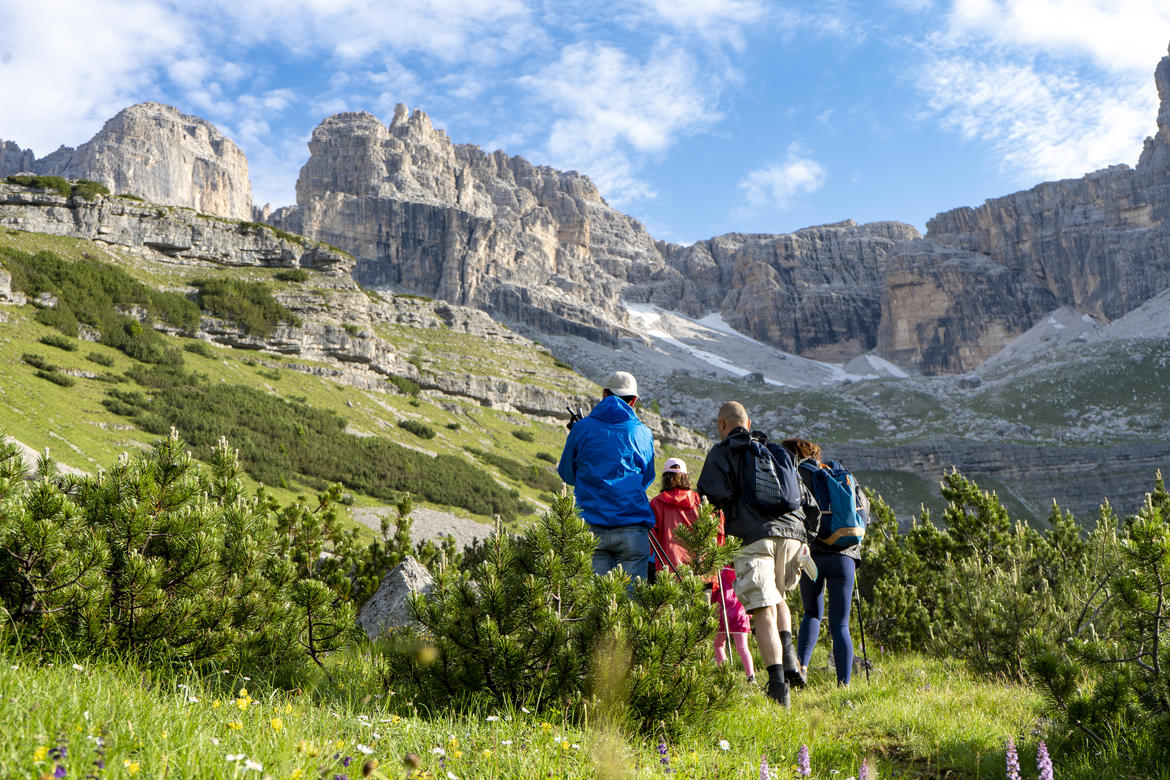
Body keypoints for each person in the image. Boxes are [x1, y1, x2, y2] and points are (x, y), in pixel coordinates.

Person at [696, 402, 817, 707]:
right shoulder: (777, 451)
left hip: (753, 538)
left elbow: (711, 498)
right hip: (792, 537)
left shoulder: (722, 452)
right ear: (748, 423)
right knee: (778, 597)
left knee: (762, 609)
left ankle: (778, 687)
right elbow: (806, 501)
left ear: (723, 424)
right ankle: (790, 658)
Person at [558, 371, 656, 582]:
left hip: (590, 527)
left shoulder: (581, 429)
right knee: (631, 609)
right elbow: (647, 478)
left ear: (603, 394)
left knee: (591, 604)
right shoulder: (643, 433)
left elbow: (566, 473)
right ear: (634, 401)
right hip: (632, 527)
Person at [782, 437, 862, 686]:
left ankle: (802, 669)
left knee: (812, 614)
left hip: (813, 555)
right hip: (844, 556)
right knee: (840, 624)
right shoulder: (839, 474)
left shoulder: (797, 475)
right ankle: (844, 685)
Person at [649, 458, 700, 574]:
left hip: (667, 566)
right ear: (685, 477)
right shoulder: (697, 499)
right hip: (697, 567)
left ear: (665, 478)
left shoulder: (656, 503)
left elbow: (651, 537)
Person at [712, 565, 755, 681]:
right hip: (739, 613)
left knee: (719, 645)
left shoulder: (717, 573)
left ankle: (726, 676)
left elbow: (713, 594)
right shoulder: (742, 571)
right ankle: (751, 676)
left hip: (721, 613)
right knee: (743, 647)